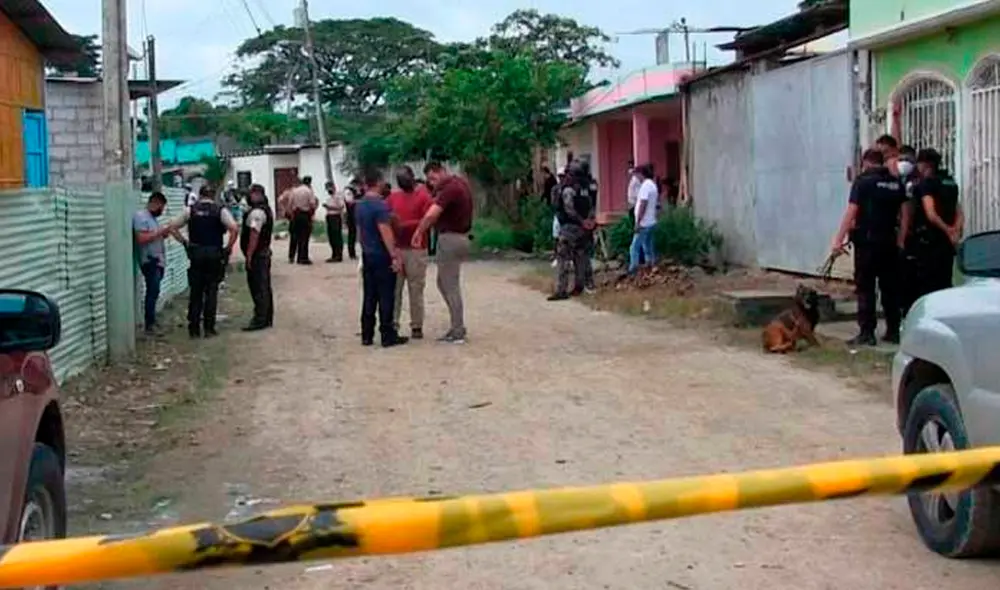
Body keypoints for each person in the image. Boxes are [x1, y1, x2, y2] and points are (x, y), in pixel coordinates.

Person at [830, 148, 906, 346]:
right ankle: (893, 330)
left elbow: (852, 211)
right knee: (890, 289)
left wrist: (838, 239)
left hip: (867, 243)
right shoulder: (895, 183)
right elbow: (905, 213)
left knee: (866, 288)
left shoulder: (863, 182)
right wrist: (901, 239)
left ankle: (867, 333)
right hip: (889, 242)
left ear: (866, 163)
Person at [412, 162, 474, 344]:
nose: (431, 182)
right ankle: (457, 325)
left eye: (433, 177)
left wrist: (419, 231)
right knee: (444, 283)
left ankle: (458, 329)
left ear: (441, 171)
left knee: (450, 285)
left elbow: (432, 214)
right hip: (460, 236)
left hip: (450, 238)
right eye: (429, 179)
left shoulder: (450, 189)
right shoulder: (460, 184)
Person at [169, 185, 240, 338]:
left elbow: (172, 227)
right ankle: (209, 328)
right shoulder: (220, 210)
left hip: (196, 253)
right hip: (214, 253)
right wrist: (228, 247)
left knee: (196, 292)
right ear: (213, 195)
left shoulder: (191, 210)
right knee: (211, 291)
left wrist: (185, 243)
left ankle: (194, 329)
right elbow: (234, 228)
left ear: (200, 195)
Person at [901, 147, 963, 313]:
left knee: (927, 285)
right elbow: (958, 210)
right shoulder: (950, 182)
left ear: (925, 165)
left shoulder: (926, 184)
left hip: (929, 242)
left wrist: (946, 229)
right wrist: (954, 230)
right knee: (945, 281)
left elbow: (931, 213)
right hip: (947, 244)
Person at [355, 168, 408, 348]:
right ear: (378, 182)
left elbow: (360, 232)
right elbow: (385, 232)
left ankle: (366, 334)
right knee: (386, 296)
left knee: (369, 295)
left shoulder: (360, 205)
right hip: (381, 255)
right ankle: (387, 334)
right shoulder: (380, 206)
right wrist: (394, 256)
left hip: (368, 254)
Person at [386, 165, 433, 339]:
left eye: (404, 178)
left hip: (416, 249)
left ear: (412, 177)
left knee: (416, 289)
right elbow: (386, 218)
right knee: (394, 289)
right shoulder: (393, 198)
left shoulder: (423, 196)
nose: (402, 182)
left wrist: (404, 225)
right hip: (398, 247)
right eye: (399, 179)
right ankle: (393, 323)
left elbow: (428, 220)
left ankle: (417, 325)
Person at [548, 161, 595, 301]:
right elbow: (592, 206)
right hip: (584, 229)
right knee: (581, 257)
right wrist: (588, 222)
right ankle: (580, 286)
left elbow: (569, 209)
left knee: (563, 258)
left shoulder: (569, 190)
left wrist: (581, 221)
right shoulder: (588, 188)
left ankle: (561, 290)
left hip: (569, 228)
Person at [133, 192, 176, 336]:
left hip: (157, 260)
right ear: (155, 203)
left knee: (155, 291)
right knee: (152, 291)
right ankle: (149, 324)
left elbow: (154, 235)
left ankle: (152, 321)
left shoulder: (152, 219)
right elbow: (141, 238)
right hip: (149, 260)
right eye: (161, 208)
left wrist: (162, 234)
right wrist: (159, 232)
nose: (161, 211)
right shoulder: (140, 217)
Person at [241, 184, 275, 331]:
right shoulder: (263, 210)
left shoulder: (257, 214)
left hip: (258, 255)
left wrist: (249, 255)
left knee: (258, 287)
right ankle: (266, 317)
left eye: (251, 194)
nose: (248, 197)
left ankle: (260, 319)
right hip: (263, 253)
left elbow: (254, 235)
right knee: (264, 286)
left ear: (257, 194)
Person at [628, 163, 659, 275]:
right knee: (648, 245)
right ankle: (651, 265)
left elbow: (643, 204)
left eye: (637, 174)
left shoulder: (645, 186)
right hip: (651, 221)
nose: (636, 177)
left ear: (642, 174)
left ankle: (633, 269)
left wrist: (638, 222)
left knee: (634, 247)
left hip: (644, 222)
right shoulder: (652, 185)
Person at [288, 176, 319, 265]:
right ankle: (302, 257)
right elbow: (312, 204)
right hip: (305, 215)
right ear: (309, 182)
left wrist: (291, 214)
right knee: (304, 237)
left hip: (295, 215)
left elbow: (290, 204)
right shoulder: (309, 191)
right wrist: (312, 214)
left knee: (294, 236)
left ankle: (291, 256)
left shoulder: (294, 191)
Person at [323, 180, 346, 263]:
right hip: (329, 216)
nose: (328, 189)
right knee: (331, 237)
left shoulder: (338, 196)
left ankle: (338, 255)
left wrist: (330, 207)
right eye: (327, 188)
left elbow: (341, 207)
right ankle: (334, 254)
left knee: (337, 236)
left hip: (335, 217)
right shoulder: (328, 197)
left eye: (329, 187)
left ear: (333, 187)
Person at [344, 176, 361, 260]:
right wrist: (359, 201)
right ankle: (351, 253)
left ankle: (353, 252)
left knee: (354, 234)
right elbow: (349, 202)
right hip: (351, 215)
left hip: (355, 214)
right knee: (352, 234)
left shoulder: (355, 190)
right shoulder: (348, 190)